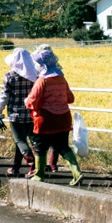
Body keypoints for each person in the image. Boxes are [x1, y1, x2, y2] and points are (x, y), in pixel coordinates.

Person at [25, 49, 83, 186]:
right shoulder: (62, 79)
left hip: (45, 119)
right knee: (63, 146)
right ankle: (77, 173)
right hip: (63, 118)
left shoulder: (41, 81)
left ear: (43, 65)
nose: (36, 66)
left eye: (38, 63)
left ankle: (39, 175)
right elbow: (70, 98)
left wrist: (26, 102)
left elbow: (32, 102)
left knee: (41, 147)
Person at [0, 48, 38, 177]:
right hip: (31, 113)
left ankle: (32, 164)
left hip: (15, 113)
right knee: (22, 140)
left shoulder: (10, 75)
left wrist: (0, 110)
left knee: (20, 140)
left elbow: (4, 95)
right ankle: (16, 167)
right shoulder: (35, 76)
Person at [35, 43, 64, 173]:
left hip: (43, 104)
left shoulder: (38, 66)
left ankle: (39, 167)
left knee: (41, 138)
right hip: (58, 102)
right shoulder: (57, 65)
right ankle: (53, 164)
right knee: (55, 136)